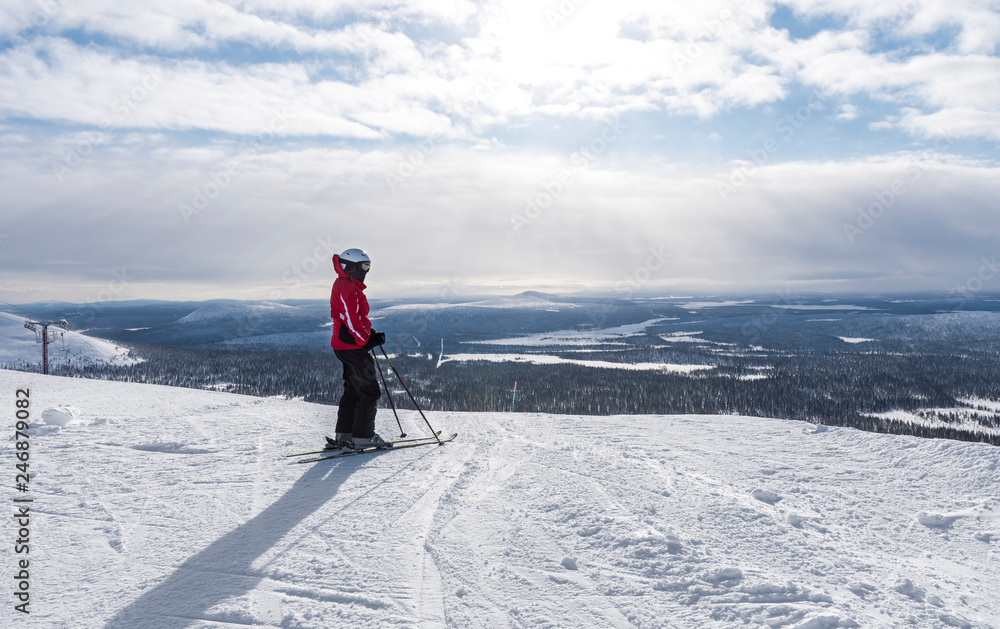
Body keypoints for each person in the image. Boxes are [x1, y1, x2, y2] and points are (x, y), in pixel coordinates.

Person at [326, 248, 389, 451]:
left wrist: (368, 334)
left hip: (347, 344)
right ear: (350, 266)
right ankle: (363, 436)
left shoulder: (348, 285)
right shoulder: (347, 287)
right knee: (370, 390)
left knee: (353, 389)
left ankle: (345, 435)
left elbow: (355, 318)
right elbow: (350, 320)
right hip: (351, 346)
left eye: (368, 266)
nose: (366, 270)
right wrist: (365, 340)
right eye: (364, 266)